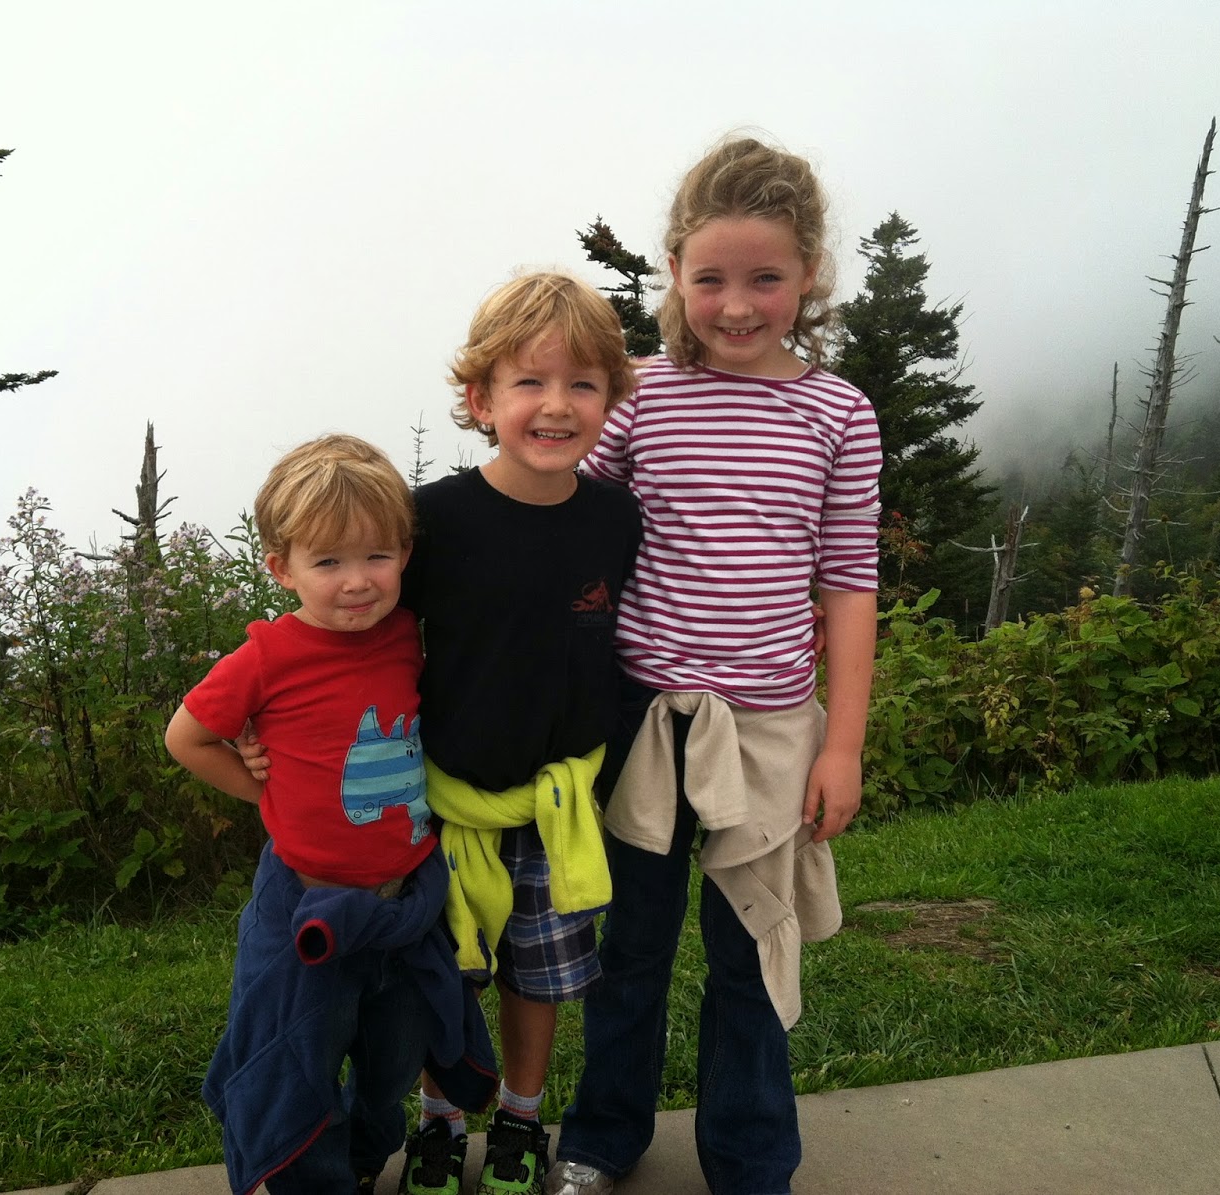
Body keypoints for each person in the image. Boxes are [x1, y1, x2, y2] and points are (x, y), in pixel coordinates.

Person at [243, 272, 642, 1195]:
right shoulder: (435, 520)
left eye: (583, 384)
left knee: (537, 977)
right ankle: (439, 1119)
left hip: (556, 803)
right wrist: (278, 727)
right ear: (482, 399)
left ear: (610, 399)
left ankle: (521, 1119)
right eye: (530, 382)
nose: (557, 404)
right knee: (442, 973)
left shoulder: (615, 517)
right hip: (440, 798)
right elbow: (351, 631)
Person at [549, 136, 882, 1195]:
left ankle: (749, 1160)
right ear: (675, 273)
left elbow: (849, 584)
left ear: (809, 275)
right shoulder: (640, 396)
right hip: (643, 717)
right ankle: (602, 1136)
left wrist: (842, 744)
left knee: (751, 949)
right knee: (631, 944)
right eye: (710, 280)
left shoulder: (839, 413)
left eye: (765, 278)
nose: (736, 306)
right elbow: (567, 514)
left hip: (773, 729)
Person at [166, 434, 494, 1195]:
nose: (356, 581)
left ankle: (362, 1157)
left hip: (404, 904)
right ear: (280, 567)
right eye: (328, 562)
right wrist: (268, 794)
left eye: (377, 556)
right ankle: (310, 1178)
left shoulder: (406, 636)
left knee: (393, 1061)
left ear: (405, 553)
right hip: (304, 906)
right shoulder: (265, 657)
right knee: (295, 1061)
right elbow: (186, 737)